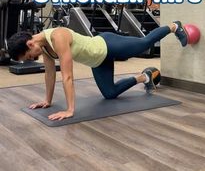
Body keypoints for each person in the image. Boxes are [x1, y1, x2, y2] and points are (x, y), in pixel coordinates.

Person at [7, 21, 188, 121]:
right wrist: (47, 100)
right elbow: (49, 74)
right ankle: (145, 77)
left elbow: (67, 76)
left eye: (29, 56)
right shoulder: (44, 47)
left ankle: (174, 26)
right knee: (109, 94)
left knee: (144, 44)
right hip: (98, 61)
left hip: (107, 45)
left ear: (30, 43)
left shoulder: (57, 36)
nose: (32, 59)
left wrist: (70, 110)